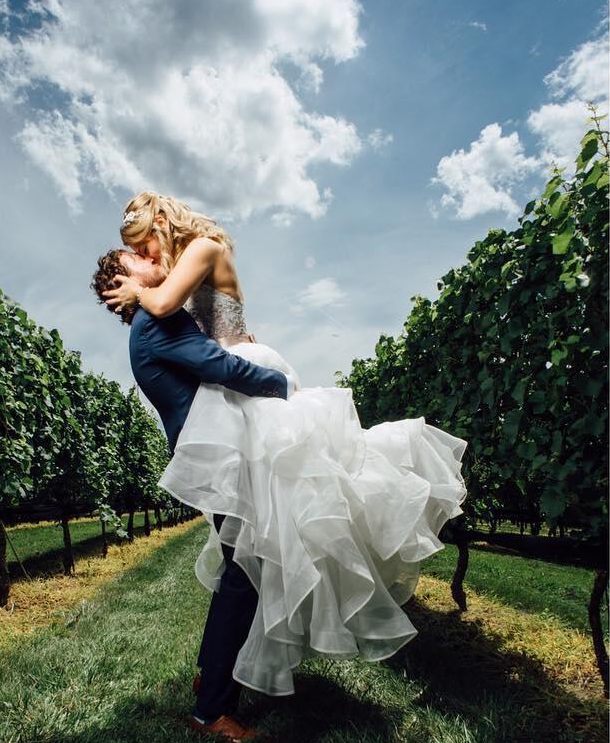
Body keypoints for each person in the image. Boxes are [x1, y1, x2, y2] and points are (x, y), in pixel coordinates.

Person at [100, 191, 468, 707]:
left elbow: (186, 317)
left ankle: (221, 682)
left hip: (238, 397)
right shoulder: (159, 312)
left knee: (269, 538)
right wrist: (139, 288)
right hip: (233, 401)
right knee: (255, 554)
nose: (150, 258)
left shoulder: (201, 249)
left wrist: (142, 290)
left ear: (161, 223)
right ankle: (218, 693)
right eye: (138, 255)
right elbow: (185, 327)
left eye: (144, 246)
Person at [91, 248, 290, 743]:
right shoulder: (155, 325)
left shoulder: (150, 325)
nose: (149, 255)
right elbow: (219, 365)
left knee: (237, 569)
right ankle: (212, 711)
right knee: (244, 572)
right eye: (134, 258)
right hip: (218, 457)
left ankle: (210, 678)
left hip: (211, 456)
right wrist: (281, 382)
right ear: (124, 279)